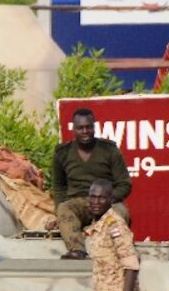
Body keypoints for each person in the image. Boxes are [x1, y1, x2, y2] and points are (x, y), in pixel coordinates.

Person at [51, 108, 132, 258]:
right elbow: (58, 187)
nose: (85, 131)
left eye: (89, 127)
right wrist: (58, 213)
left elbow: (124, 184)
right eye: (80, 128)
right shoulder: (62, 153)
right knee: (63, 209)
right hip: (78, 202)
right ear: (73, 129)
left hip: (108, 203)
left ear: (94, 127)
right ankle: (77, 250)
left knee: (121, 213)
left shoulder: (110, 150)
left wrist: (106, 200)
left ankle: (110, 250)